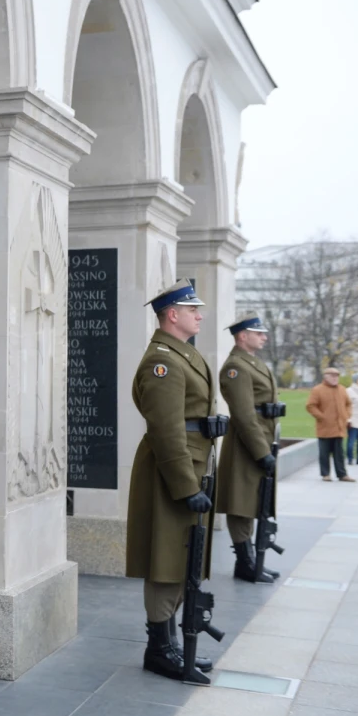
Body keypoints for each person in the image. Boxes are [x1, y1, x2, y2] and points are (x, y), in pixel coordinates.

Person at [127, 279, 219, 680]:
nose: (200, 315)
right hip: (174, 472)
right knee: (167, 560)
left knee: (183, 557)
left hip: (191, 465)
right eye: (193, 309)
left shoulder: (181, 354)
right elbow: (166, 430)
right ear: (172, 315)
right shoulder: (161, 361)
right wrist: (186, 486)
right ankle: (160, 649)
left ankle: (170, 645)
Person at [215, 312, 281, 584]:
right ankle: (245, 562)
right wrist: (260, 451)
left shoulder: (252, 362)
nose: (264, 337)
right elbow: (243, 414)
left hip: (261, 437)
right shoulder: (236, 367)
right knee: (241, 504)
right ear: (243, 336)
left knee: (254, 500)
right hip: (247, 443)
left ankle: (252, 560)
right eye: (259, 333)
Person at [306, 368, 355, 482]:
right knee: (324, 453)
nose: (335, 378)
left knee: (339, 453)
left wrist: (346, 415)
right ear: (325, 377)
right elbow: (310, 406)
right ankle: (325, 474)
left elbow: (348, 404)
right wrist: (322, 417)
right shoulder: (317, 390)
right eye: (332, 376)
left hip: (339, 427)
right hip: (325, 428)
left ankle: (342, 474)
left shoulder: (342, 389)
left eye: (336, 376)